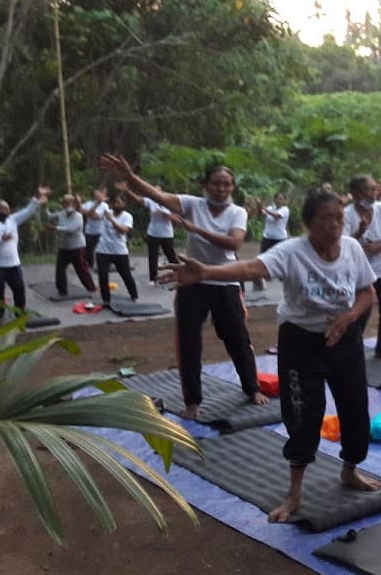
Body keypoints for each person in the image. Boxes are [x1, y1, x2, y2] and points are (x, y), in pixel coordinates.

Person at [161, 189, 381, 523]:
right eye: (326, 218)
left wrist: (349, 317)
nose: (336, 225)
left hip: (344, 339)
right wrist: (205, 273)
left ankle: (349, 470)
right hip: (301, 343)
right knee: (304, 416)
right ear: (308, 223)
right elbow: (251, 268)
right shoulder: (292, 252)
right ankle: (294, 493)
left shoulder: (351, 248)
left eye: (339, 218)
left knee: (355, 409)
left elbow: (368, 292)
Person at [99, 154, 266, 419]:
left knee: (237, 339)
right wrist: (130, 177)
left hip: (225, 281)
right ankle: (192, 403)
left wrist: (194, 229)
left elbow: (234, 244)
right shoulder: (193, 204)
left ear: (232, 188)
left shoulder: (238, 212)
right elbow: (157, 196)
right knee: (189, 342)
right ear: (206, 185)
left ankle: (252, 388)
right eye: (216, 183)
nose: (221, 189)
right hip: (191, 282)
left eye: (226, 184)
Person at [344, 174, 381, 359]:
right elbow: (342, 244)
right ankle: (352, 349)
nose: (374, 194)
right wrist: (359, 233)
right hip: (360, 270)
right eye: (370, 190)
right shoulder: (346, 215)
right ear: (356, 194)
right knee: (361, 310)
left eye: (375, 189)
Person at [0, 187, 49, 318]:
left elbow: (28, 211)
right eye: (2, 209)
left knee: (19, 289)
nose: (5, 211)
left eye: (6, 209)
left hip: (13, 264)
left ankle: (20, 314)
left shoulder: (13, 220)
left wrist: (36, 197)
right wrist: (0, 239)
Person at [44, 193, 98, 297]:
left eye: (69, 202)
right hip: (64, 247)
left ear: (73, 204)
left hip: (77, 247)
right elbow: (49, 216)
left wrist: (54, 228)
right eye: (65, 202)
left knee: (82, 269)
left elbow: (70, 229)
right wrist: (45, 206)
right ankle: (62, 290)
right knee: (60, 269)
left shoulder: (78, 216)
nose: (67, 204)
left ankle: (91, 288)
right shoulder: (61, 214)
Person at [95, 192, 139, 307]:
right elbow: (90, 215)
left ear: (124, 204)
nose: (116, 204)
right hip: (103, 250)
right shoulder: (107, 213)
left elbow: (123, 230)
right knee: (103, 275)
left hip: (119, 250)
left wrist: (111, 220)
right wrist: (98, 202)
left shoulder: (127, 216)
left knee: (126, 274)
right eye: (114, 202)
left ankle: (134, 295)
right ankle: (106, 300)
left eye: (119, 202)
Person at [250, 192, 291, 291]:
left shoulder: (285, 209)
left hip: (280, 238)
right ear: (274, 199)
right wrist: (259, 206)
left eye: (281, 199)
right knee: (262, 258)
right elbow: (261, 215)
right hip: (268, 237)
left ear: (284, 201)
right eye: (277, 198)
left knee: (283, 259)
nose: (279, 201)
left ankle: (286, 278)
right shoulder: (270, 208)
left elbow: (276, 216)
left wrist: (263, 208)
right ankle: (259, 281)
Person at [141, 185, 178, 285]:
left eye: (158, 191)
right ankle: (153, 278)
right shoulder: (150, 201)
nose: (155, 193)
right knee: (152, 256)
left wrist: (163, 212)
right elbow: (138, 199)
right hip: (153, 232)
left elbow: (173, 217)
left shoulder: (168, 202)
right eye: (154, 190)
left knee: (171, 255)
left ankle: (178, 273)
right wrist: (127, 190)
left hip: (166, 233)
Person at [80, 186, 109, 270]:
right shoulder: (88, 203)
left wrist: (89, 212)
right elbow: (81, 211)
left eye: (103, 193)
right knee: (88, 249)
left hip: (101, 231)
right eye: (98, 192)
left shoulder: (105, 205)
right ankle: (90, 265)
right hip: (89, 231)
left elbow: (95, 216)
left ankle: (104, 265)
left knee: (102, 249)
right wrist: (94, 206)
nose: (100, 194)